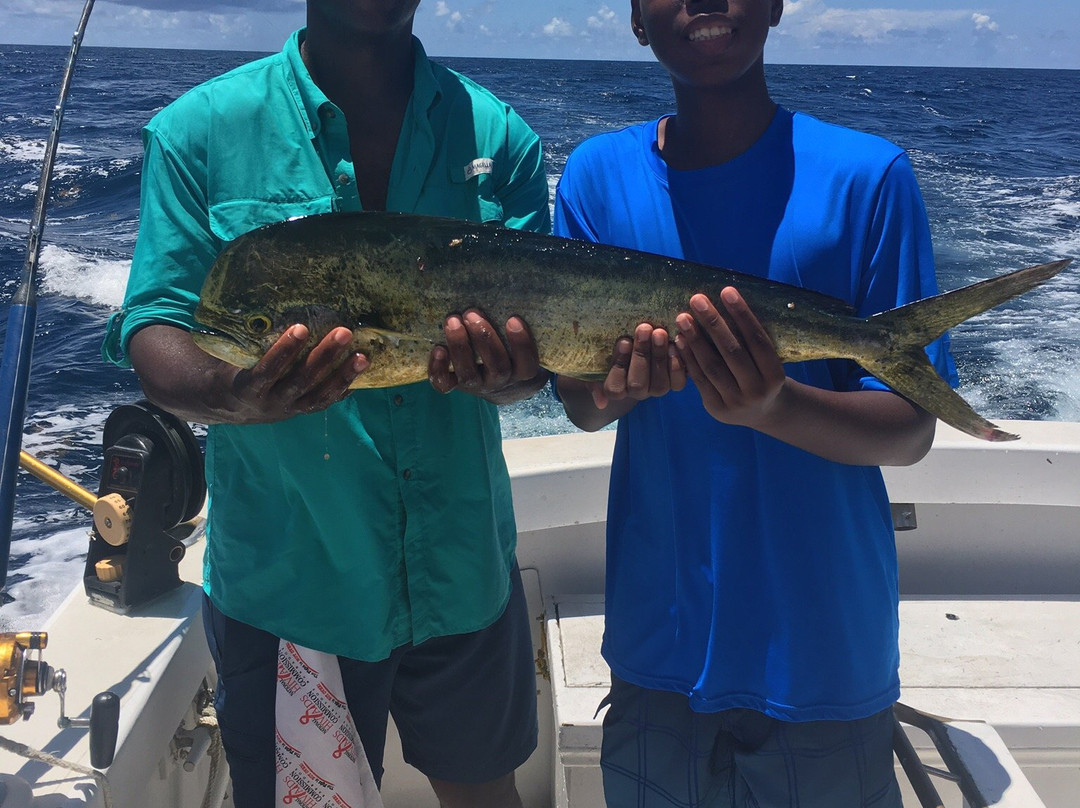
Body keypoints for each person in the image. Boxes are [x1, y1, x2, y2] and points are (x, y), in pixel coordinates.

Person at [102, 2, 551, 806]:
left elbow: (536, 365)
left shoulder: (499, 133)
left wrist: (510, 376)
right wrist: (232, 392)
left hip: (464, 569)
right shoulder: (197, 131)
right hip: (294, 587)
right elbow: (155, 327)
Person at [554, 1, 959, 806]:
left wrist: (774, 407)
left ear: (775, 4)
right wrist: (606, 390)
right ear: (636, 19)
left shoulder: (869, 177)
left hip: (824, 655)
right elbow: (581, 402)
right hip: (657, 651)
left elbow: (910, 427)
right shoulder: (595, 177)